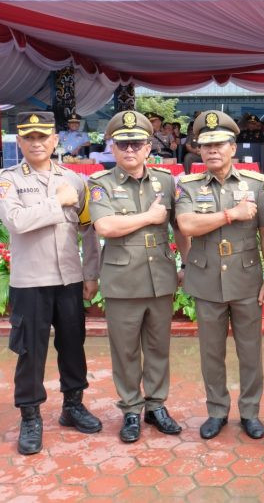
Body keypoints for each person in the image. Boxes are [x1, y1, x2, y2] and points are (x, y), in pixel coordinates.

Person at [0, 111, 102, 456]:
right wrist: (57, 202)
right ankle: (30, 416)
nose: (37, 143)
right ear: (20, 142)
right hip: (31, 281)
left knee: (73, 346)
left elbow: (88, 231)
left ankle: (73, 405)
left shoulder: (75, 181)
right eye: (29, 137)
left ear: (55, 140)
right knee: (30, 350)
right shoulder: (7, 179)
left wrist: (91, 273)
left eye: (43, 137)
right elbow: (16, 221)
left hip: (69, 278)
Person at [175, 111, 264, 440]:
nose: (212, 151)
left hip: (246, 279)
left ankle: (250, 412)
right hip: (206, 279)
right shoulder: (188, 186)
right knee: (211, 352)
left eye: (219, 144)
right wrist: (231, 214)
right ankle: (217, 410)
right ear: (198, 150)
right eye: (206, 145)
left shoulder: (254, 184)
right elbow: (186, 225)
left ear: (233, 148)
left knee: (250, 351)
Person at [88, 111, 188, 443]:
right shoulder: (101, 184)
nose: (130, 150)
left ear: (148, 147)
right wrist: (148, 217)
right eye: (123, 144)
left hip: (160, 276)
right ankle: (131, 408)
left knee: (158, 347)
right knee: (126, 350)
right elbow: (105, 227)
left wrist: (186, 264)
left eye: (136, 143)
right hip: (123, 280)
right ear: (112, 148)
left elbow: (180, 228)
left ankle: (156, 406)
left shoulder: (166, 181)